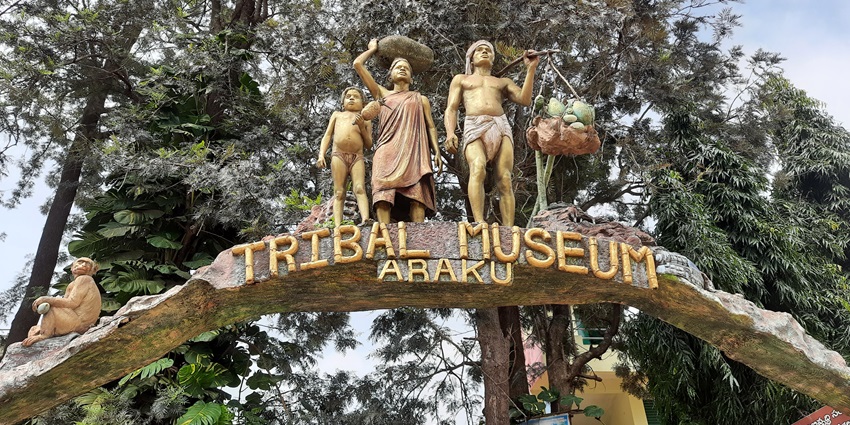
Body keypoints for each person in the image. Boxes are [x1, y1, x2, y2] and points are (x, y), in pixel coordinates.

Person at [444, 40, 539, 226]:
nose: (484, 52)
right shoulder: (461, 79)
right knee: (477, 167)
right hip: (474, 125)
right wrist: (450, 133)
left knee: (505, 178)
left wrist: (531, 69)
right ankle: (479, 222)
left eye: (488, 50)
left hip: (500, 125)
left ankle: (509, 229)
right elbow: (451, 108)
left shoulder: (502, 82)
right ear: (471, 59)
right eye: (479, 50)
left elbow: (524, 99)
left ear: (493, 59)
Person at [353, 38, 442, 223]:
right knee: (383, 193)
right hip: (387, 150)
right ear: (389, 76)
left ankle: (419, 234)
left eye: (407, 68)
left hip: (413, 151)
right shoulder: (381, 95)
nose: (402, 69)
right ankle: (383, 233)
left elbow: (431, 126)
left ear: (411, 77)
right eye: (398, 67)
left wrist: (437, 152)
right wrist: (372, 49)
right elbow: (358, 64)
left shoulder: (420, 99)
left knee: (416, 195)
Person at [317, 87, 374, 225]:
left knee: (359, 188)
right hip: (339, 155)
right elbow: (328, 135)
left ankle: (366, 219)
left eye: (356, 96)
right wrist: (321, 154)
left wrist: (361, 126)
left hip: (357, 156)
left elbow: (369, 144)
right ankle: (337, 225)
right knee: (339, 192)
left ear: (363, 104)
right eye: (348, 96)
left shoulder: (365, 119)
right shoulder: (337, 115)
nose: (352, 98)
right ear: (343, 102)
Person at [23, 257, 102, 347]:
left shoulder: (85, 279)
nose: (83, 265)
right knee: (34, 329)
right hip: (74, 321)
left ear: (92, 270)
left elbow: (72, 303)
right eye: (80, 262)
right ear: (72, 267)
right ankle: (45, 334)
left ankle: (44, 336)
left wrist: (47, 299)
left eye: (88, 264)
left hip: (79, 323)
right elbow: (65, 306)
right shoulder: (73, 284)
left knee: (52, 307)